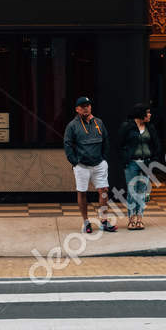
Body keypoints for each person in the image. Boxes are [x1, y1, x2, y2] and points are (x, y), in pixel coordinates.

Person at [63, 96, 116, 233]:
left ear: (91, 107)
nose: (86, 108)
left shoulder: (99, 122)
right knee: (82, 192)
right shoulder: (72, 125)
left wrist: (104, 159)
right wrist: (75, 162)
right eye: (82, 106)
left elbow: (106, 140)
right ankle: (86, 222)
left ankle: (103, 221)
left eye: (88, 105)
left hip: (99, 164)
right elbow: (68, 145)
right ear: (77, 109)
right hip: (82, 166)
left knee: (104, 191)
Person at [117, 103, 161, 229]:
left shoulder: (150, 127)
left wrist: (154, 158)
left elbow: (156, 143)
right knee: (132, 191)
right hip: (132, 163)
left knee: (142, 191)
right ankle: (132, 219)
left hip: (146, 162)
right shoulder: (127, 127)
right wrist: (124, 159)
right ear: (140, 114)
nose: (150, 115)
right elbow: (119, 145)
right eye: (147, 112)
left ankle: (140, 218)